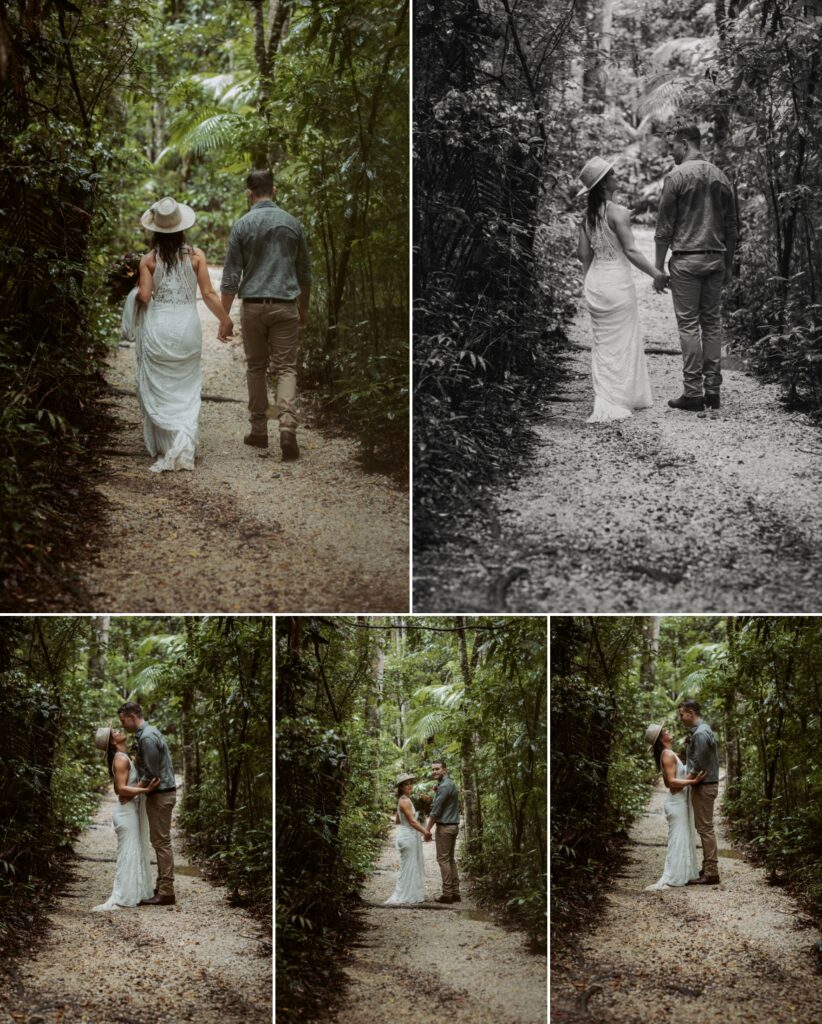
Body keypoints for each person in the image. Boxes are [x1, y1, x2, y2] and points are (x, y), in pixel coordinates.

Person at [122, 196, 234, 472]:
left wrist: (132, 291)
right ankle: (183, 441)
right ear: (181, 228)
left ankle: (166, 443)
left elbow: (145, 297)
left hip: (159, 330)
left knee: (163, 385)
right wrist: (225, 320)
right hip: (186, 330)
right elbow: (208, 293)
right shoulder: (196, 256)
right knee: (185, 387)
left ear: (155, 230)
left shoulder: (148, 260)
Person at [219, 169, 312, 461]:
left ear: (250, 193)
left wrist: (224, 317)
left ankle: (259, 431)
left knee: (256, 368)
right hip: (285, 305)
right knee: (286, 368)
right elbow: (305, 274)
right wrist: (304, 309)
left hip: (253, 307)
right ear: (274, 190)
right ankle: (287, 427)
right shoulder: (292, 223)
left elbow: (231, 277)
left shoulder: (242, 225)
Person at [654, 124, 738, 412]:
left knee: (689, 325)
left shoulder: (675, 177)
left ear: (686, 143)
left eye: (673, 147)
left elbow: (664, 227)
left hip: (687, 260)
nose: (671, 152)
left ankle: (693, 392)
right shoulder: (722, 176)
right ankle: (713, 391)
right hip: (716, 258)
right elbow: (732, 228)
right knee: (712, 324)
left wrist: (657, 268)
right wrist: (727, 266)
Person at [576, 157, 664, 422]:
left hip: (597, 283)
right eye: (612, 174)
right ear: (604, 184)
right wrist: (656, 274)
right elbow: (631, 250)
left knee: (603, 344)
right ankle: (620, 397)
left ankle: (606, 396)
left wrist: (587, 282)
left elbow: (583, 255)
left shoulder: (586, 216)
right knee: (623, 341)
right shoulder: (619, 212)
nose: (617, 176)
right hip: (617, 283)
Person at [118, 701, 178, 906]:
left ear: (132, 716)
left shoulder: (147, 737)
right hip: (159, 795)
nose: (123, 724)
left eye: (123, 720)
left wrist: (132, 793)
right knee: (159, 841)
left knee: (161, 842)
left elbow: (151, 773)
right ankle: (163, 885)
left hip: (161, 795)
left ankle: (167, 891)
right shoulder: (144, 735)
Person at [92, 726, 158, 911]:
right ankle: (124, 895)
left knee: (134, 851)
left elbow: (118, 789)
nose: (119, 730)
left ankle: (136, 892)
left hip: (129, 811)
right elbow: (121, 790)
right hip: (126, 814)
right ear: (113, 741)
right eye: (115, 731)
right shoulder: (120, 758)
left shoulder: (123, 757)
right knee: (128, 853)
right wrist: (145, 790)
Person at [644, 723, 705, 891]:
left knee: (683, 837)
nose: (668, 732)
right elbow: (671, 783)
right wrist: (692, 781)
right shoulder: (667, 755)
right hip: (676, 803)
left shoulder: (669, 754)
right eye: (665, 731)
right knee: (678, 838)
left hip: (679, 801)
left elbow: (668, 779)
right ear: (661, 739)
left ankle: (684, 873)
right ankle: (675, 875)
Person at [679, 699, 721, 884]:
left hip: (704, 787)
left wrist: (685, 780)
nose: (681, 718)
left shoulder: (701, 734)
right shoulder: (699, 731)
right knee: (704, 827)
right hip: (704, 786)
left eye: (682, 714)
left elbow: (700, 764)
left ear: (690, 712)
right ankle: (708, 867)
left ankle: (711, 872)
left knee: (705, 828)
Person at [384, 773, 431, 905]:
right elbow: (412, 822)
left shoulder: (403, 800)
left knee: (409, 866)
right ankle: (405, 895)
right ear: (401, 787)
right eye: (406, 784)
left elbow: (398, 821)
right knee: (409, 866)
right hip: (408, 837)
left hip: (406, 835)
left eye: (410, 783)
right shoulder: (405, 800)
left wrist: (421, 808)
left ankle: (409, 893)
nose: (409, 785)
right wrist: (426, 832)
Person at [424, 759, 461, 904]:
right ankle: (455, 892)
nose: (434, 771)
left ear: (444, 770)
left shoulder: (444, 786)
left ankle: (447, 894)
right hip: (453, 826)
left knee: (443, 860)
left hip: (445, 828)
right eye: (432, 769)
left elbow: (436, 811)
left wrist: (427, 829)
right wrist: (436, 792)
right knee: (450, 859)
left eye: (437, 769)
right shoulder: (448, 784)